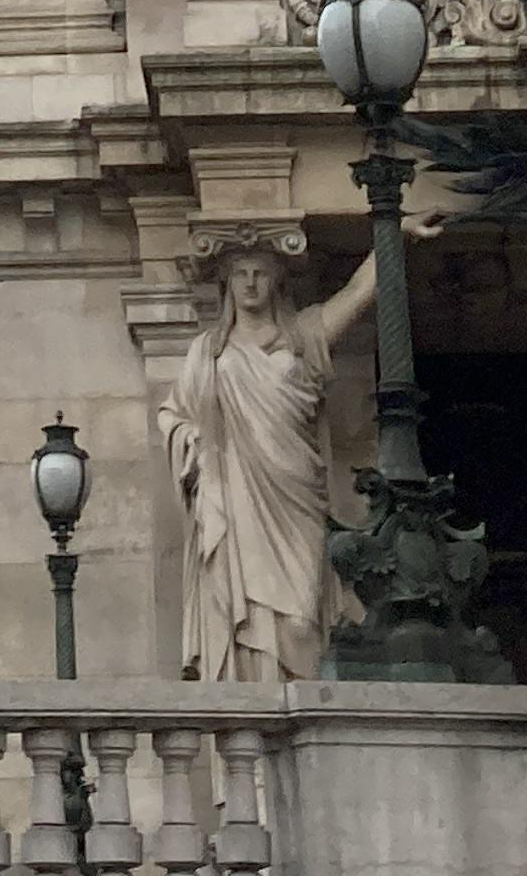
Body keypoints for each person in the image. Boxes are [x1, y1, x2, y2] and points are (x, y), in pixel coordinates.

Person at [159, 233, 394, 683]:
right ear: (227, 283)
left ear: (276, 282)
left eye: (260, 274)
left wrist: (394, 233)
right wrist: (196, 445)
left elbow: (357, 293)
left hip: (297, 495)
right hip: (236, 494)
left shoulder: (303, 337)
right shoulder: (208, 352)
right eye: (240, 274)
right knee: (245, 608)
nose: (250, 283)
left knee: (303, 619)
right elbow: (173, 416)